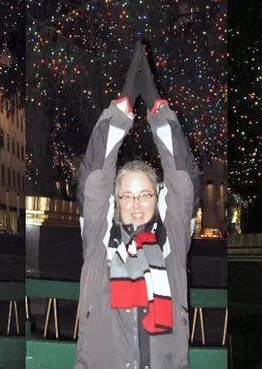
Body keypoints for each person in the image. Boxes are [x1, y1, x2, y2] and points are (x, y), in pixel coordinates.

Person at [74, 44, 201, 368]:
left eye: (144, 194)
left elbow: (183, 180)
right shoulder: (100, 239)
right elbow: (94, 179)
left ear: (157, 197)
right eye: (127, 196)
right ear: (115, 201)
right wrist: (122, 108)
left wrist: (158, 110)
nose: (136, 204)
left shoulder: (171, 238)